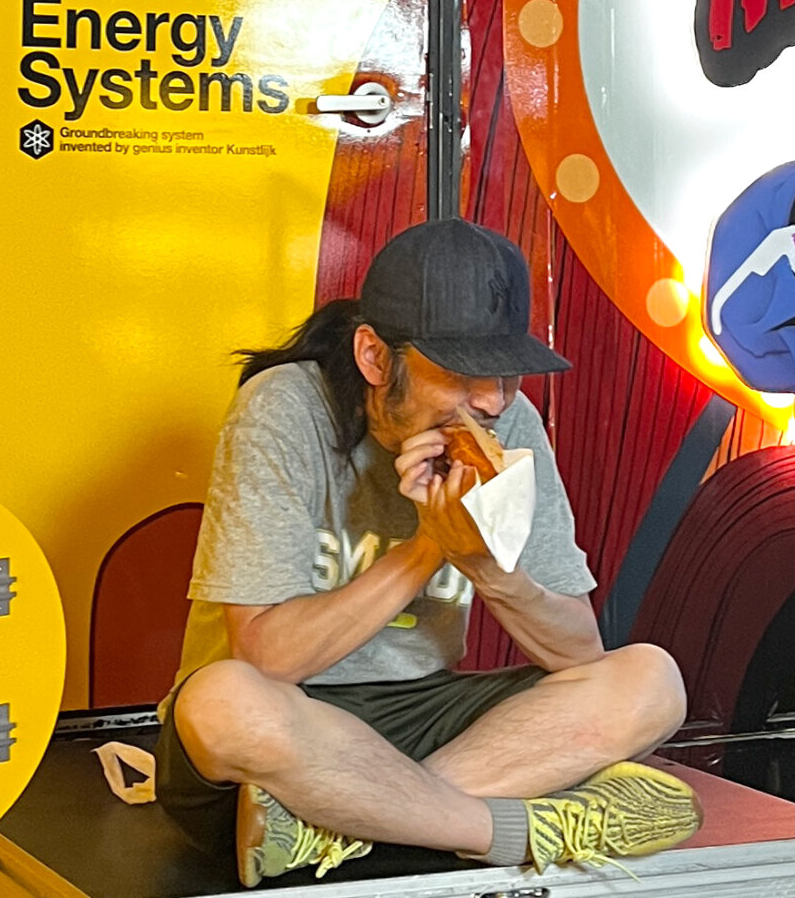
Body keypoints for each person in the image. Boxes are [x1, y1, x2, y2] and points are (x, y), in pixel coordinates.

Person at [154, 218, 699, 887]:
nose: (492, 401)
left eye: (507, 372)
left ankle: (336, 829)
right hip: (289, 718)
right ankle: (507, 830)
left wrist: (487, 568)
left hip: (423, 714)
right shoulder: (286, 407)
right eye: (463, 372)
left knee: (650, 680)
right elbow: (266, 659)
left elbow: (579, 653)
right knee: (222, 702)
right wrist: (429, 546)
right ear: (375, 357)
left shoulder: (513, 422)